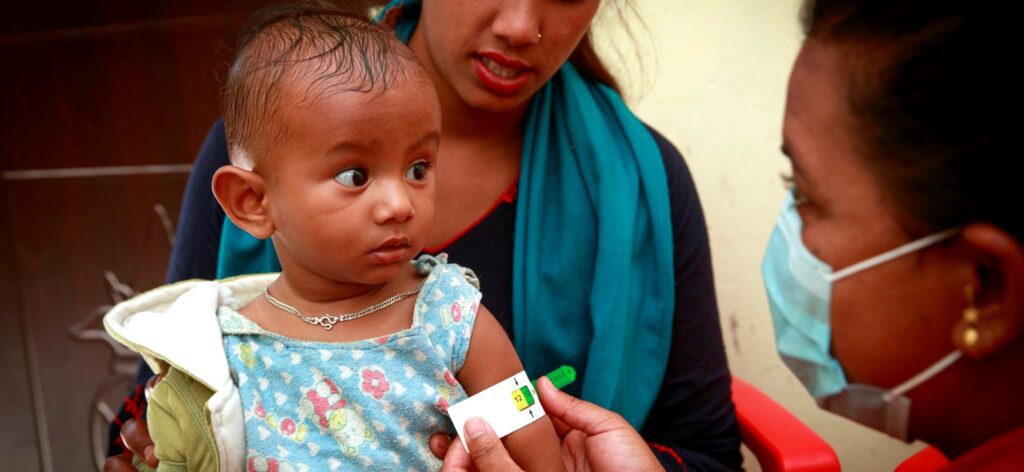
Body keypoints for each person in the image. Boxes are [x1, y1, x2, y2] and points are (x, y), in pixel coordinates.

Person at [107, 1, 742, 470]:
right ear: (252, 200)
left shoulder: (452, 317)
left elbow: (560, 451)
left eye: (419, 169)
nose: (521, 26)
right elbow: (157, 408)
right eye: (354, 174)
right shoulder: (232, 306)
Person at [429, 0, 1024, 470]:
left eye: (807, 196)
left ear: (986, 286)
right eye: (352, 176)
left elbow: (705, 448)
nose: (519, 25)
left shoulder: (640, 189)